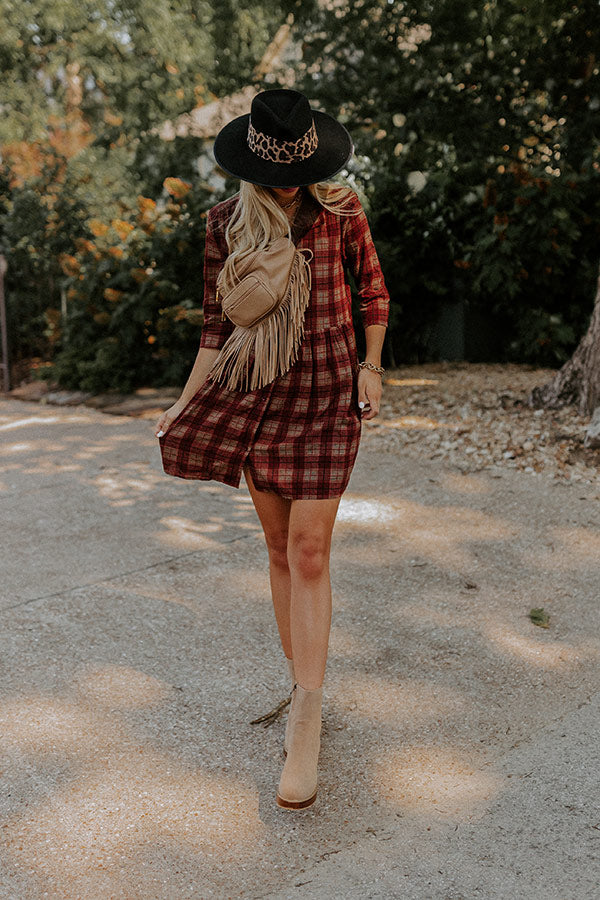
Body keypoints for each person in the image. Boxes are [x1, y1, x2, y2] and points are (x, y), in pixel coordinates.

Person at [155, 88, 389, 810]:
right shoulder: (225, 223)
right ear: (251, 161)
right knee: (281, 551)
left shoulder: (343, 214)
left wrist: (370, 367)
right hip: (258, 397)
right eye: (278, 167)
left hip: (325, 400)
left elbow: (373, 295)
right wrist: (182, 404)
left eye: (300, 164)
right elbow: (212, 331)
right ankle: (301, 682)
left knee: (313, 553)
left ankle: (308, 719)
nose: (290, 180)